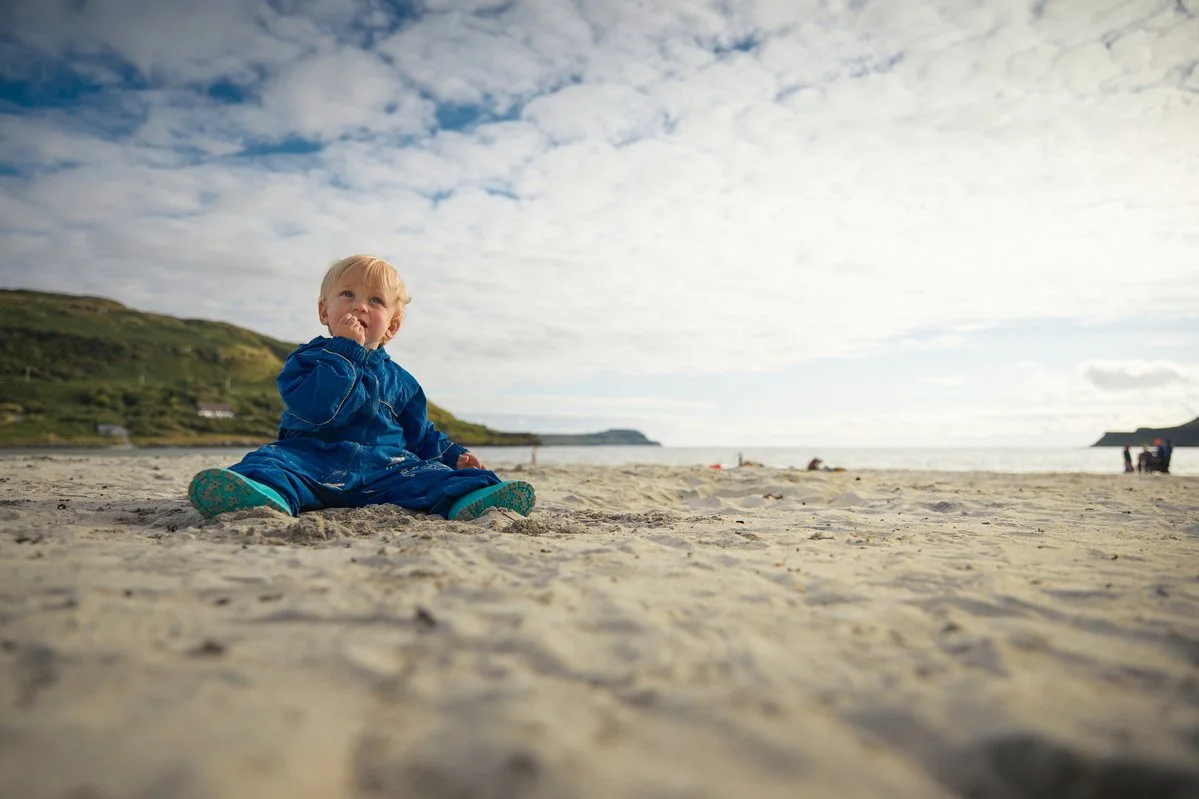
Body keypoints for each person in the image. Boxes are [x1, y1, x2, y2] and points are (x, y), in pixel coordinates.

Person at [187, 254, 535, 522]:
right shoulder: (309, 358)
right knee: (270, 463)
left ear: (392, 327)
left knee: (436, 477)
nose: (359, 305)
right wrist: (344, 352)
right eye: (348, 294)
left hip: (384, 469)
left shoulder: (403, 381)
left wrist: (451, 454)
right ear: (325, 311)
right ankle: (263, 494)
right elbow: (316, 409)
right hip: (312, 457)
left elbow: (420, 434)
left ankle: (470, 499)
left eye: (375, 301)